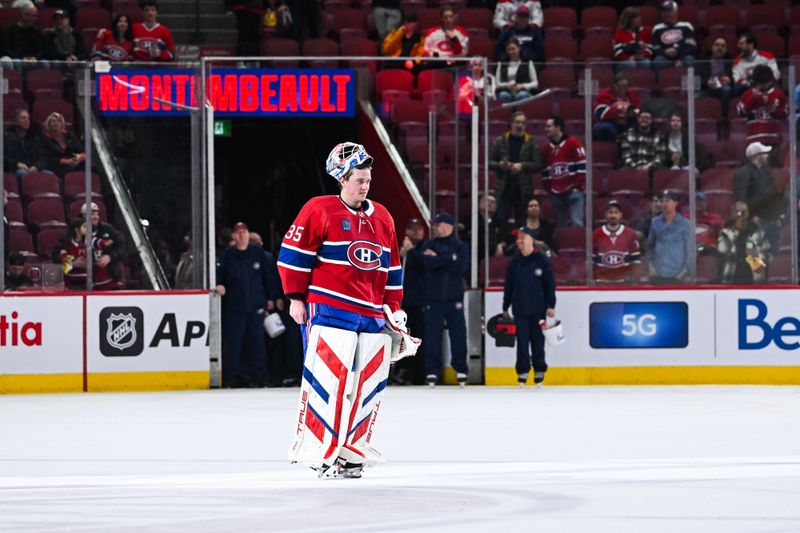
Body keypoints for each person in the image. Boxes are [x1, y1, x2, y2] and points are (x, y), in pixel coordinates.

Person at [277, 142, 415, 479]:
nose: (364, 185)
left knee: (370, 385)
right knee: (328, 381)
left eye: (367, 179)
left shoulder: (382, 216)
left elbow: (392, 267)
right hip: (329, 309)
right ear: (341, 179)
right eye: (358, 179)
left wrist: (393, 310)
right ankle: (317, 449)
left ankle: (353, 452)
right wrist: (296, 297)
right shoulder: (319, 209)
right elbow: (293, 254)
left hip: (371, 314)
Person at [216, 222, 280, 388]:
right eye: (238, 233)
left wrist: (272, 297)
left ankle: (259, 377)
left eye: (244, 232)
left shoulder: (257, 254)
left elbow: (268, 277)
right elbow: (218, 275)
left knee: (257, 344)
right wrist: (219, 284)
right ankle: (232, 377)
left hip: (257, 306)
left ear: (248, 234)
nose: (241, 235)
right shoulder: (227, 255)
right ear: (234, 236)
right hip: (235, 307)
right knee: (234, 344)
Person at [418, 212, 468, 387]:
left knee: (458, 335)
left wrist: (438, 259)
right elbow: (427, 263)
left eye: (438, 225)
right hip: (433, 300)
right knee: (432, 337)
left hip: (454, 299)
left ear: (448, 226)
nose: (435, 227)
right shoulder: (428, 244)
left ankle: (461, 369)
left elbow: (461, 267)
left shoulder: (460, 246)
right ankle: (432, 371)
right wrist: (448, 259)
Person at [502, 226, 555, 386]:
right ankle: (523, 371)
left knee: (538, 341)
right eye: (518, 238)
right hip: (520, 309)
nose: (519, 241)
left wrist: (551, 305)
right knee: (522, 342)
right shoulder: (514, 263)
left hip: (538, 310)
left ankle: (539, 370)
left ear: (531, 239)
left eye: (522, 237)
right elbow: (508, 286)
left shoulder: (542, 261)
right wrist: (505, 306)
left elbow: (549, 285)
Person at [489, 111, 541, 224]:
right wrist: (501, 165)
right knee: (499, 221)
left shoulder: (531, 142)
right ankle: (500, 242)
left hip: (523, 190)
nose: (520, 125)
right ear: (511, 124)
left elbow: (538, 164)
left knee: (521, 223)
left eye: (522, 123)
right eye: (517, 122)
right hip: (504, 188)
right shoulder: (500, 141)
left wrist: (522, 166)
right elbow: (489, 162)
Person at [734, 141, 785, 256]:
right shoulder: (744, 173)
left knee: (772, 253)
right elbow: (741, 198)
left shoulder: (765, 173)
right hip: (756, 221)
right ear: (756, 156)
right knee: (755, 255)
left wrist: (778, 214)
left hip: (770, 219)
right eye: (764, 153)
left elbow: (772, 196)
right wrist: (751, 216)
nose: (767, 156)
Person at [395, 217, 426, 385]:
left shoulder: (425, 248)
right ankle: (402, 371)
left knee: (418, 339)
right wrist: (401, 255)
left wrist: (411, 252)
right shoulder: (400, 251)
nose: (417, 232)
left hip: (419, 303)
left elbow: (424, 264)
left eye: (419, 229)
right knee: (401, 339)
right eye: (413, 229)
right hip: (403, 304)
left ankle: (419, 374)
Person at [541, 116, 586, 227]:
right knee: (560, 227)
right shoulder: (546, 148)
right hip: (556, 194)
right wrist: (549, 189)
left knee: (577, 224)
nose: (546, 129)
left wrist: (578, 187)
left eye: (549, 126)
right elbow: (545, 171)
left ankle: (579, 245)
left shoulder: (573, 143)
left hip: (573, 191)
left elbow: (582, 166)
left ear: (558, 127)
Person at [717, 201, 771, 284]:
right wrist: (737, 232)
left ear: (748, 213)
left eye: (743, 212)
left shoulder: (759, 233)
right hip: (731, 278)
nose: (740, 215)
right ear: (733, 214)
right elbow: (722, 250)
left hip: (755, 279)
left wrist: (757, 253)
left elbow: (769, 256)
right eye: (737, 212)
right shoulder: (725, 233)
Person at [54, 217, 115, 290]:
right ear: (77, 230)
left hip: (86, 280)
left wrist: (104, 243)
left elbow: (96, 242)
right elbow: (63, 258)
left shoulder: (87, 240)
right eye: (84, 226)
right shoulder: (67, 243)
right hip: (72, 281)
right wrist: (74, 263)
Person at [646, 189, 692, 284]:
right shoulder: (655, 222)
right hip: (658, 274)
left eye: (668, 201)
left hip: (676, 275)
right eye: (662, 201)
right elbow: (650, 246)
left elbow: (690, 250)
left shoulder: (685, 224)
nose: (664, 204)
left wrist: (684, 272)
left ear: (675, 203)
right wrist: (650, 265)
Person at [737, 64, 788, 147]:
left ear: (771, 81)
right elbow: (741, 112)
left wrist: (774, 111)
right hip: (754, 139)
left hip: (775, 139)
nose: (764, 85)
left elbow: (786, 113)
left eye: (766, 82)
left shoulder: (779, 94)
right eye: (761, 83)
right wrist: (752, 99)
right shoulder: (748, 94)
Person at [592, 200, 641, 284]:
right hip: (602, 281)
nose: (613, 215)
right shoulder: (596, 234)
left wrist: (634, 280)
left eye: (616, 212)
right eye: (610, 212)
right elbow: (591, 260)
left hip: (623, 282)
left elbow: (635, 260)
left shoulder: (630, 233)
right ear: (605, 214)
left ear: (620, 215)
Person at [81, 201, 124, 284]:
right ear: (84, 215)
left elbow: (121, 246)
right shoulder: (76, 232)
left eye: (97, 214)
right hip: (83, 282)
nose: (96, 217)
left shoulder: (108, 229)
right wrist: (75, 262)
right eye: (92, 214)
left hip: (108, 280)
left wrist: (110, 256)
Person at [592, 73, 641, 141]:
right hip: (610, 122)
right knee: (605, 128)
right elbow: (599, 112)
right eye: (621, 86)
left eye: (625, 86)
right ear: (615, 85)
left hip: (627, 123)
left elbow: (638, 110)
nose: (624, 88)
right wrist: (620, 110)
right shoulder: (604, 95)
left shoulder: (632, 96)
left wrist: (630, 114)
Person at [651, 0, 695, 71]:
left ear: (676, 12)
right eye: (664, 11)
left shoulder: (686, 26)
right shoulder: (657, 28)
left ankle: (690, 82)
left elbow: (690, 46)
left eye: (669, 11)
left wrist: (679, 55)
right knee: (658, 61)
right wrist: (665, 52)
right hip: (665, 57)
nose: (666, 14)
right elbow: (655, 47)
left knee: (689, 60)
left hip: (683, 56)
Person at [39, 111, 85, 177]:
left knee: (91, 167)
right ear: (48, 124)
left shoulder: (69, 135)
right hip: (57, 166)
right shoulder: (45, 138)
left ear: (62, 124)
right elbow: (46, 157)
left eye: (59, 121)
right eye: (53, 121)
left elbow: (81, 150)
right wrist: (64, 161)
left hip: (74, 162)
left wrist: (80, 157)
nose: (56, 123)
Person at [620, 109, 665, 175]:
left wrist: (648, 167)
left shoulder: (658, 135)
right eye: (642, 117)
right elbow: (625, 156)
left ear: (651, 120)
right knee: (621, 172)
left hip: (652, 168)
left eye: (647, 118)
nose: (644, 120)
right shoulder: (628, 133)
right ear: (638, 119)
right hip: (632, 167)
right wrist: (635, 166)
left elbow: (660, 157)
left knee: (663, 172)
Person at [495, 38, 538, 103]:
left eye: (513, 49)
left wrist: (523, 85)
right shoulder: (502, 63)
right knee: (503, 95)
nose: (511, 52)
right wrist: (506, 85)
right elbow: (497, 84)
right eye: (509, 49)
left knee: (522, 95)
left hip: (523, 91)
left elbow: (535, 83)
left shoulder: (527, 62)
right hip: (507, 91)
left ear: (519, 48)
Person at [698, 37, 735, 115]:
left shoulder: (730, 61)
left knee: (727, 90)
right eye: (717, 45)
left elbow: (735, 77)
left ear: (725, 50)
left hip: (722, 88)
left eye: (722, 46)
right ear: (712, 48)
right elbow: (697, 79)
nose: (719, 47)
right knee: (695, 96)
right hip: (706, 88)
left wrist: (729, 79)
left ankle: (723, 117)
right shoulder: (703, 61)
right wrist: (707, 82)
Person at [4, 108, 41, 179]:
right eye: (23, 118)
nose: (27, 120)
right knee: (23, 174)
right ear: (15, 122)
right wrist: (16, 164)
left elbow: (43, 157)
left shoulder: (34, 138)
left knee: (50, 174)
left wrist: (36, 166)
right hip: (14, 169)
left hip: (33, 168)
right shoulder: (6, 137)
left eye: (28, 118)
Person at [694, 191, 724, 257]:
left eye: (700, 201)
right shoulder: (685, 218)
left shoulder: (714, 218)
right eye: (695, 201)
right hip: (690, 251)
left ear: (705, 203)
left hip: (708, 253)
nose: (697, 203)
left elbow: (722, 236)